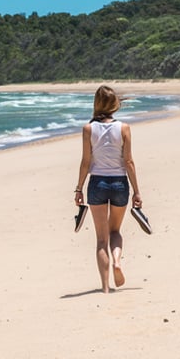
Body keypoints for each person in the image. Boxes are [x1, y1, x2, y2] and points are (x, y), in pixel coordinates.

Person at [74, 85, 142, 293]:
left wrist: (79, 188)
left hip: (97, 184)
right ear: (114, 105)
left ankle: (105, 287)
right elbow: (128, 161)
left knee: (101, 239)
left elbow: (86, 161)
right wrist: (137, 191)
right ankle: (117, 262)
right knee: (115, 231)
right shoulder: (124, 128)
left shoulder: (88, 129)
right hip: (120, 183)